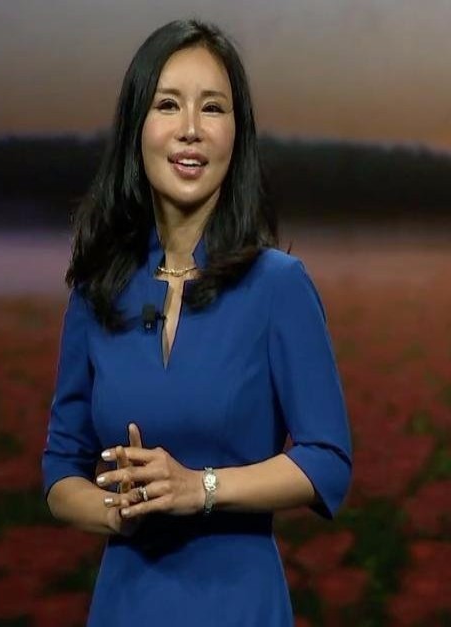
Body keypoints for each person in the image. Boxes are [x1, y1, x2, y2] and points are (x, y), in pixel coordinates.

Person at [42, 18, 352, 626]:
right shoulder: (98, 289)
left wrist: (200, 488)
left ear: (237, 134)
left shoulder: (278, 286)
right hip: (126, 605)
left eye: (212, 108)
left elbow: (326, 459)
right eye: (167, 105)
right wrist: (115, 512)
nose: (190, 129)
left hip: (238, 604)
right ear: (137, 128)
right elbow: (60, 469)